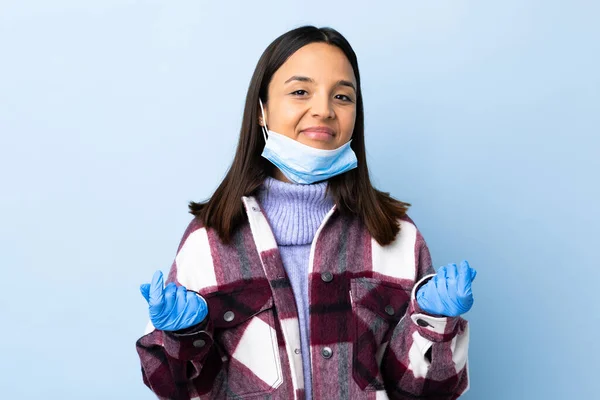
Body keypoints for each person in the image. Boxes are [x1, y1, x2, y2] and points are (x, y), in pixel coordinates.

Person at [136, 25, 477, 400]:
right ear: (262, 110)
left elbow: (424, 393)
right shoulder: (209, 242)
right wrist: (182, 338)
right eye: (300, 92)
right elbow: (182, 392)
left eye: (343, 97)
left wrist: (435, 324)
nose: (324, 110)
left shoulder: (396, 236)